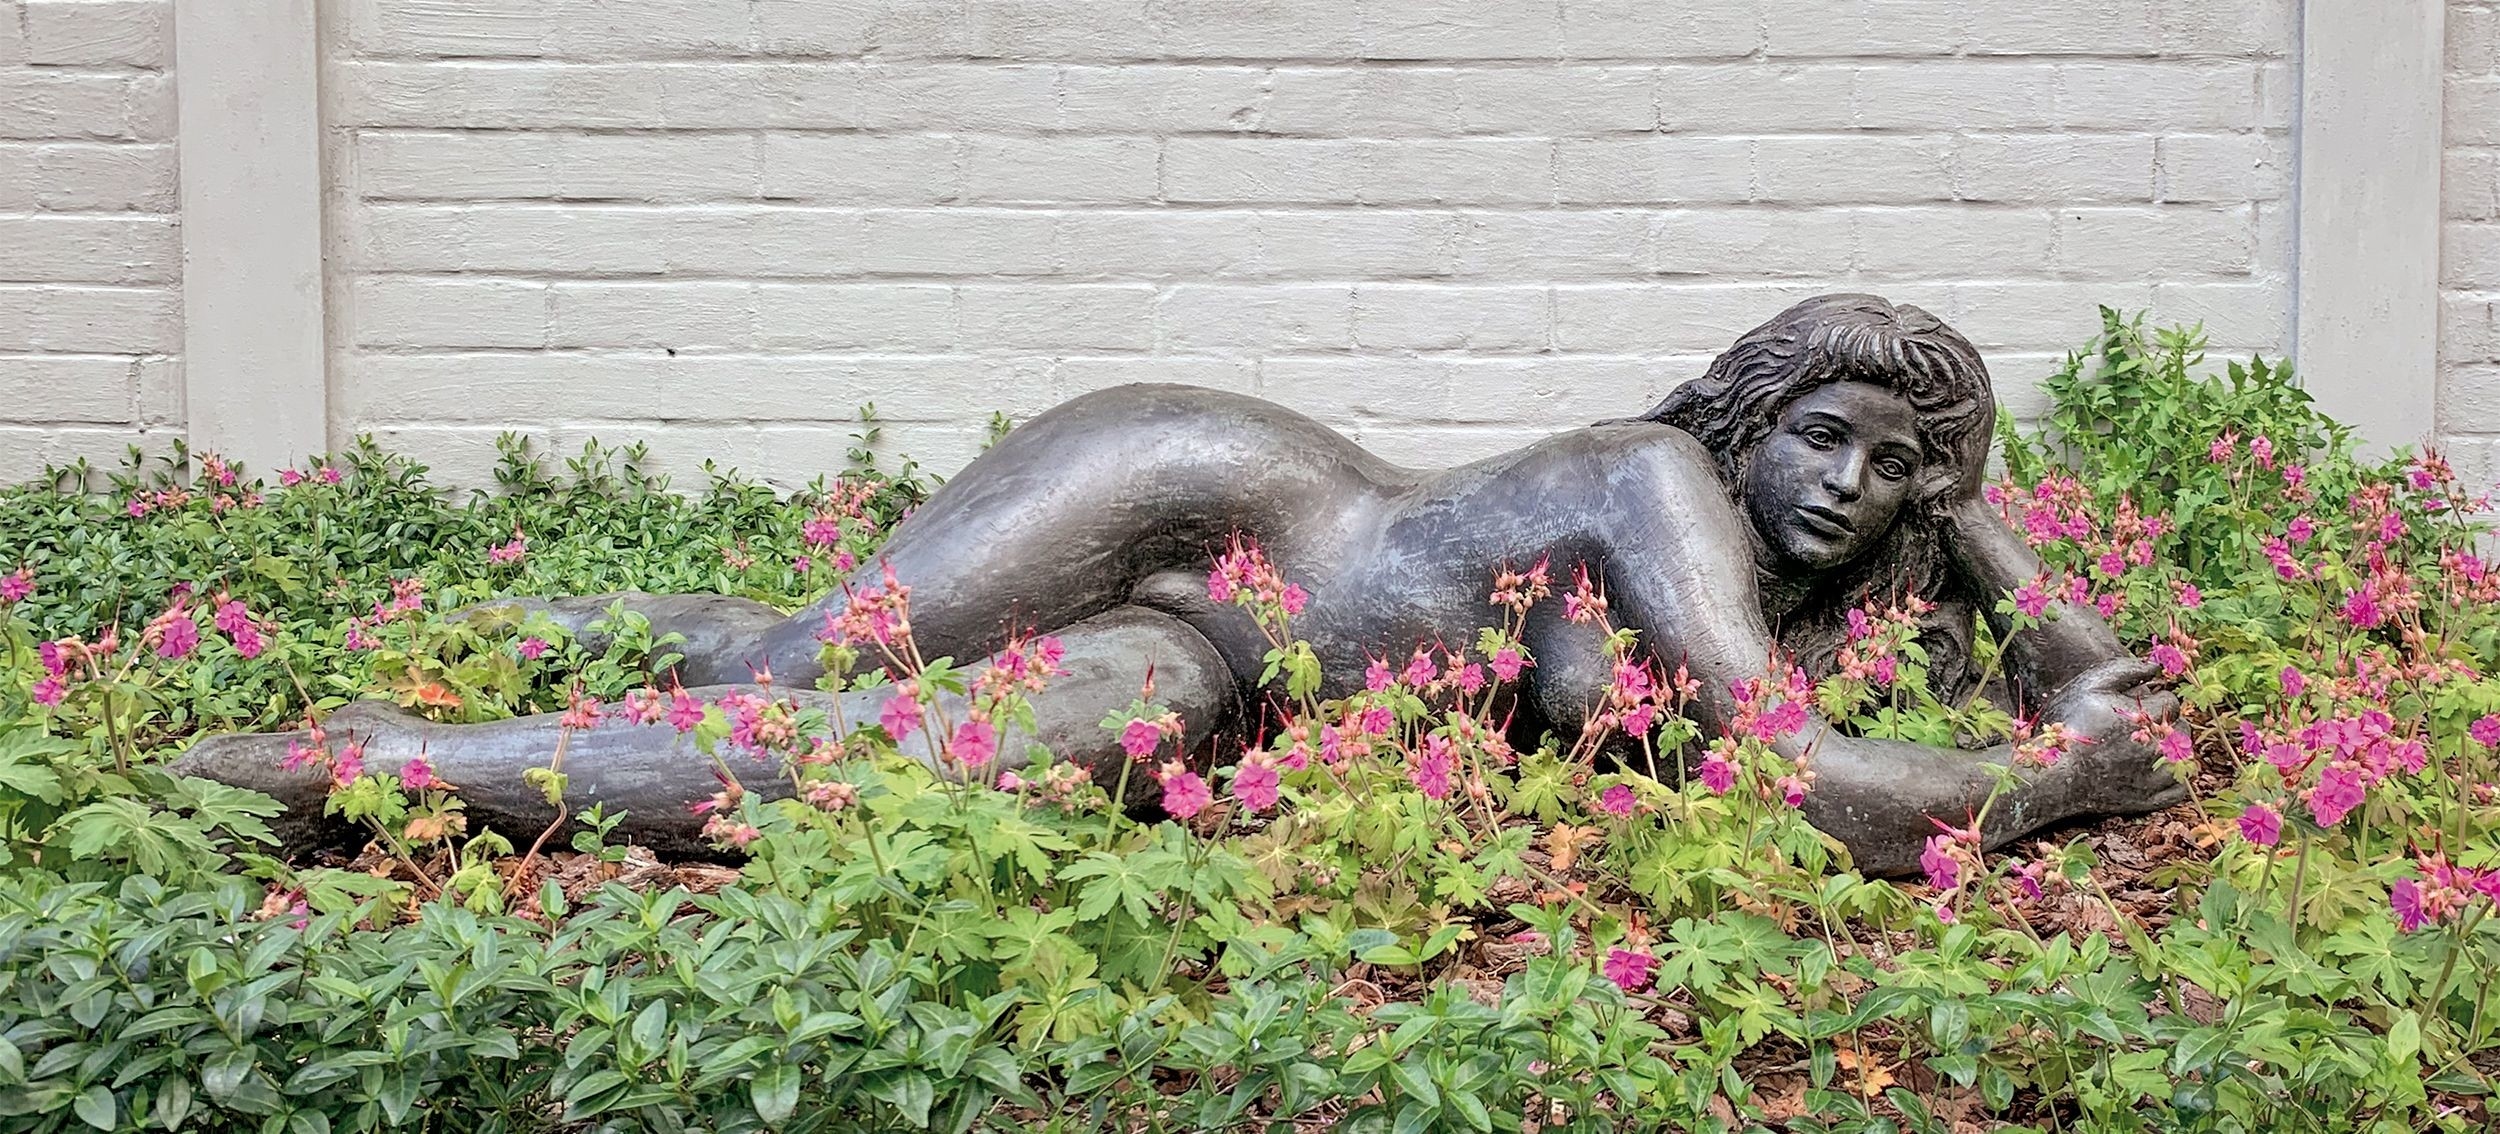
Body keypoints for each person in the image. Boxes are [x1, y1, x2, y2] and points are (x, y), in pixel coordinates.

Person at [179, 294, 2184, 876]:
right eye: (1826, 435)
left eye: (1898, 466)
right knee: (811, 647)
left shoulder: (1792, 551)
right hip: (1197, 497)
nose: (1856, 487)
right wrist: (2064, 785)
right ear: (1743, 421)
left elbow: (2093, 663)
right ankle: (496, 643)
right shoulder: (1658, 485)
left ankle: (387, 757)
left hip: (1211, 672)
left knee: (878, 759)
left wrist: (1972, 525)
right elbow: (1786, 781)